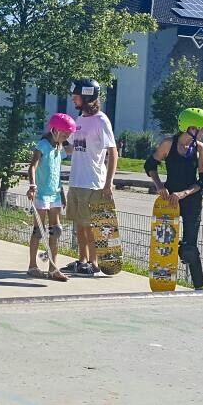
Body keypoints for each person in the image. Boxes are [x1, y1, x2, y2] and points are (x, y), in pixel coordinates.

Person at [144, 108, 203, 290]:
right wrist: (159, 186)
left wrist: (184, 193)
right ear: (191, 128)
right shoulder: (168, 144)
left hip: (191, 200)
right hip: (169, 201)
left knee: (189, 249)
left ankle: (199, 287)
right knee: (165, 242)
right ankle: (163, 279)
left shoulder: (200, 148)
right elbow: (150, 165)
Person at [63, 78, 118, 277]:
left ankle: (94, 263)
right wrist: (56, 139)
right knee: (79, 225)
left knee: (91, 226)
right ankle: (82, 260)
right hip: (76, 180)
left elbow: (113, 152)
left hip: (93, 181)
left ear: (86, 97)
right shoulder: (78, 120)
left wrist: (109, 183)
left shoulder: (101, 120)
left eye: (75, 95)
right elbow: (71, 149)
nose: (72, 99)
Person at [26, 113, 76, 280]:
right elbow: (32, 167)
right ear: (54, 130)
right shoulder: (43, 145)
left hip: (54, 194)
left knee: (56, 230)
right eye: (64, 134)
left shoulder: (58, 148)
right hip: (41, 193)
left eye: (68, 135)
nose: (66, 137)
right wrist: (32, 186)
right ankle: (32, 266)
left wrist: (62, 193)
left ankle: (53, 269)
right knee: (38, 231)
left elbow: (57, 172)